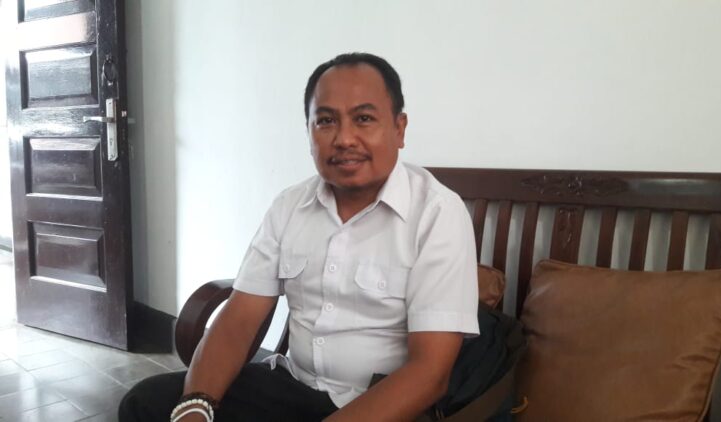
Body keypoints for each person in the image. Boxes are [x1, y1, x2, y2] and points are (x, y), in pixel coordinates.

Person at [120, 52, 479, 422]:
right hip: (292, 385)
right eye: (326, 121)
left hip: (383, 402)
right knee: (146, 403)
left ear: (399, 129)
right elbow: (239, 320)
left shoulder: (437, 213)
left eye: (364, 119)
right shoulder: (290, 206)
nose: (344, 139)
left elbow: (429, 373)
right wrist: (196, 406)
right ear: (309, 132)